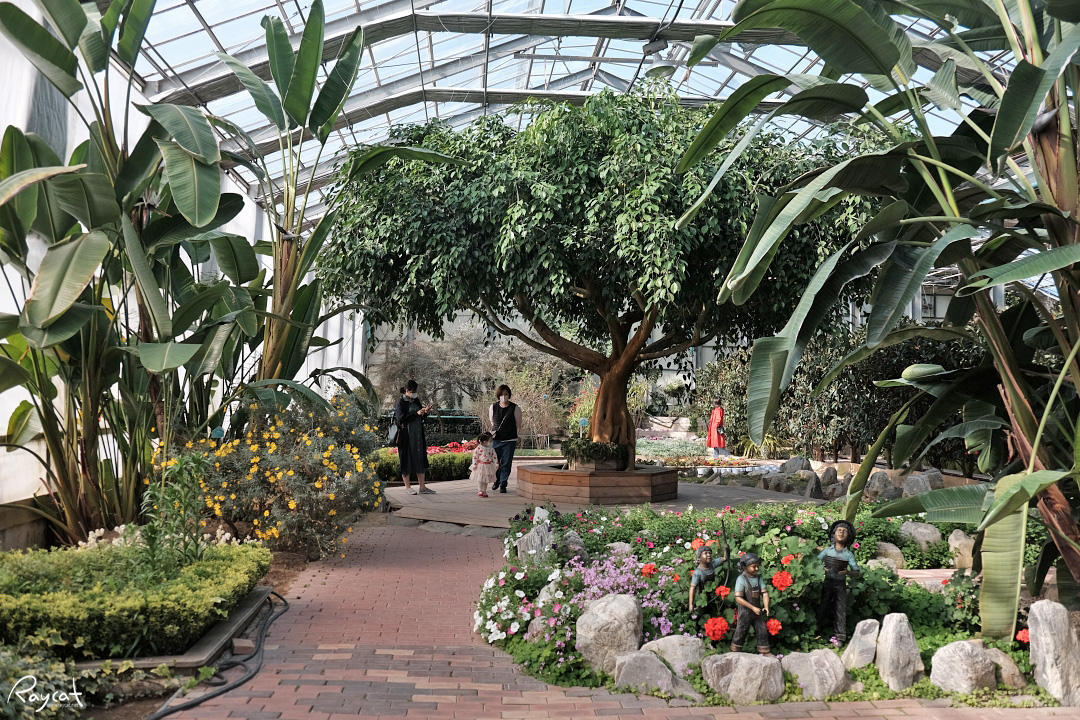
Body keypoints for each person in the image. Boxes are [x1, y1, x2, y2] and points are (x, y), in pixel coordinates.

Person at [817, 520, 860, 643]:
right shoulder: (827, 551)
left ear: (848, 536)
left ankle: (840, 636)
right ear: (834, 534)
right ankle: (816, 630)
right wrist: (822, 569)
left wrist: (847, 572)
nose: (841, 533)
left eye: (844, 531)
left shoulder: (848, 555)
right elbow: (816, 563)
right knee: (822, 605)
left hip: (840, 585)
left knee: (840, 609)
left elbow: (856, 572)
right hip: (827, 582)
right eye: (839, 530)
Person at [394, 380, 435, 495]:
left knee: (420, 457)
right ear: (407, 391)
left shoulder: (416, 400)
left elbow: (420, 417)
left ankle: (422, 487)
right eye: (413, 391)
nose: (415, 393)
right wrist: (415, 414)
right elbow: (401, 419)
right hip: (406, 436)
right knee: (406, 459)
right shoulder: (401, 402)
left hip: (417, 435)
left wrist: (424, 412)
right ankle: (407, 487)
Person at [731, 552, 771, 655]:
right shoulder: (741, 579)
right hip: (745, 612)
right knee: (741, 630)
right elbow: (738, 598)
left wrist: (766, 606)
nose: (757, 569)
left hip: (758, 611)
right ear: (745, 566)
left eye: (758, 566)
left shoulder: (759, 578)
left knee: (762, 630)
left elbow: (765, 593)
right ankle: (735, 650)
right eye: (754, 566)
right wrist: (752, 608)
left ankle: (764, 651)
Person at [488, 384, 522, 493]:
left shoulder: (515, 408)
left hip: (509, 440)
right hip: (496, 439)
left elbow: (518, 423)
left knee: (506, 463)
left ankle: (503, 483)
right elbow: (492, 421)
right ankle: (496, 480)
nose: (504, 396)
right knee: (495, 462)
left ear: (509, 395)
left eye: (506, 394)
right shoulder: (493, 407)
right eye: (502, 394)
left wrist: (509, 431)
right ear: (498, 395)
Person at [688, 543, 729, 614]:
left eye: (710, 553)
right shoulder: (698, 572)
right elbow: (692, 588)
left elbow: (725, 558)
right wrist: (691, 604)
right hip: (702, 596)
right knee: (704, 613)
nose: (709, 555)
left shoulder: (712, 564)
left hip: (713, 595)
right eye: (706, 553)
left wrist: (727, 549)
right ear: (699, 557)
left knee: (715, 610)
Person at [470, 432, 498, 498]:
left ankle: (484, 491)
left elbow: (494, 456)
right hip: (480, 466)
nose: (491, 442)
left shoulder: (491, 449)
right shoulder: (478, 449)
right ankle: (480, 490)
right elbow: (475, 457)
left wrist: (496, 463)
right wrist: (474, 464)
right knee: (480, 478)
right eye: (490, 441)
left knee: (486, 479)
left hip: (488, 466)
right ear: (485, 442)